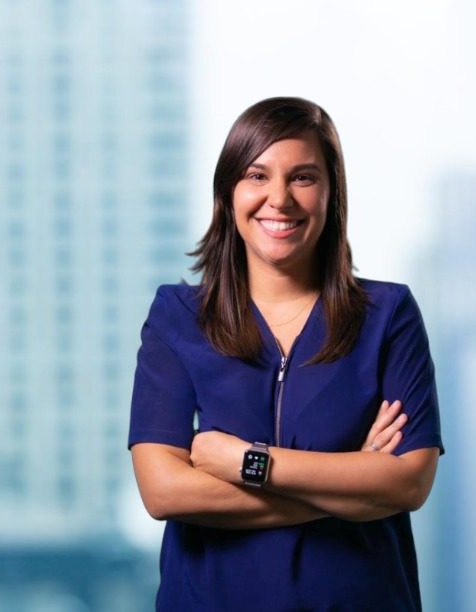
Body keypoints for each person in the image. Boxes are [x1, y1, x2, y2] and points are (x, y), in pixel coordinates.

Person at [128, 96, 444, 611]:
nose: (279, 198)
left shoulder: (388, 315)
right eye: (257, 175)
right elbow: (164, 492)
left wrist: (247, 462)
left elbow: (408, 483)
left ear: (332, 194)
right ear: (228, 192)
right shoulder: (178, 317)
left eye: (303, 177)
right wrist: (352, 487)